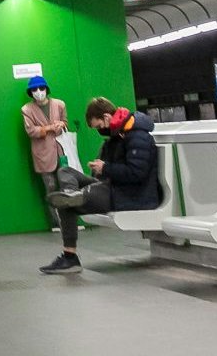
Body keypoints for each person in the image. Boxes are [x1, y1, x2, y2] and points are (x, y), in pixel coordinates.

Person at [40, 97, 161, 274]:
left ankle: (70, 257)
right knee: (65, 172)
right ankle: (71, 193)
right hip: (113, 186)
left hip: (130, 194)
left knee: (66, 205)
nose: (99, 130)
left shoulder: (137, 136)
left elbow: (137, 173)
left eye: (98, 126)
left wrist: (105, 168)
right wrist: (100, 168)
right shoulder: (116, 134)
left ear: (106, 117)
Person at [19, 77, 69, 220]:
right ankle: (57, 221)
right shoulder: (26, 109)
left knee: (67, 185)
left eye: (41, 88)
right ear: (30, 92)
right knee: (51, 187)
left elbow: (65, 122)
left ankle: (70, 220)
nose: (39, 91)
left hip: (61, 151)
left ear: (47, 89)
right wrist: (49, 128)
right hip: (43, 154)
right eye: (34, 89)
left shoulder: (59, 104)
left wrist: (62, 124)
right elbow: (31, 131)